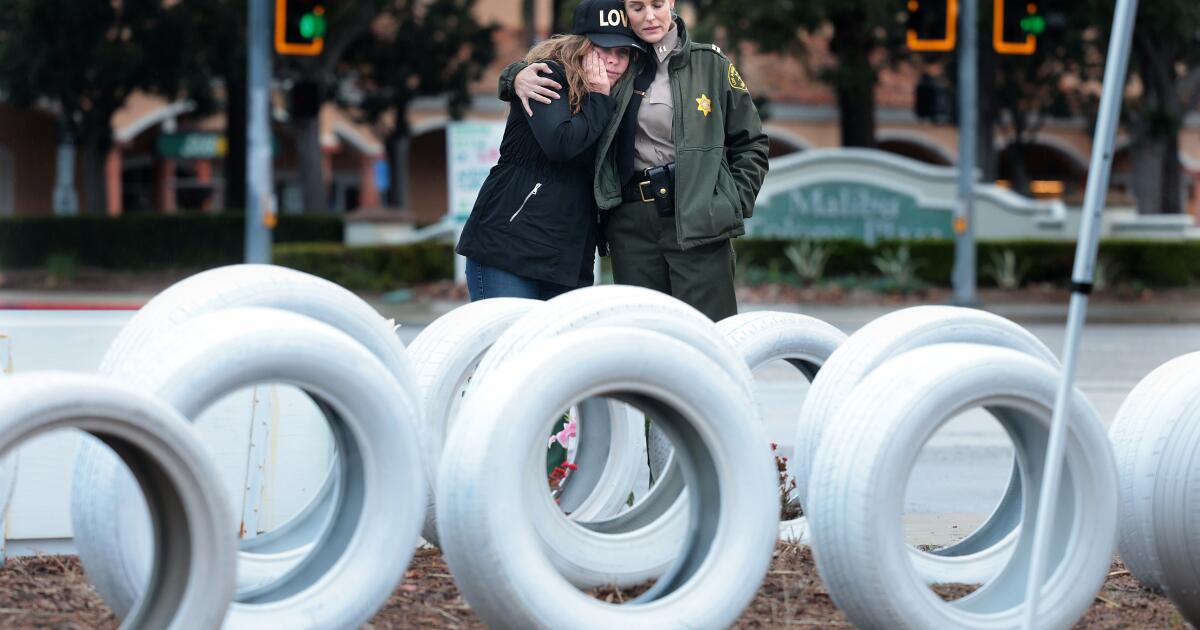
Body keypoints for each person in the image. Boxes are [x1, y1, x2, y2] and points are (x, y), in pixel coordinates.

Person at [501, 0, 769, 321]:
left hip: (698, 219)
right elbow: (562, 59)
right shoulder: (619, 60)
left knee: (707, 330)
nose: (649, 17)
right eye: (637, 7)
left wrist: (728, 203)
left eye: (657, 4)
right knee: (644, 333)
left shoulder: (710, 64)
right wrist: (514, 76)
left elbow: (751, 143)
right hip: (629, 223)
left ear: (671, 3)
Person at [455, 0, 644, 301]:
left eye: (622, 52)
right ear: (580, 45)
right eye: (603, 48)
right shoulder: (546, 76)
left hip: (568, 261)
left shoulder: (617, 99)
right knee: (511, 334)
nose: (612, 60)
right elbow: (561, 143)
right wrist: (598, 97)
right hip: (508, 250)